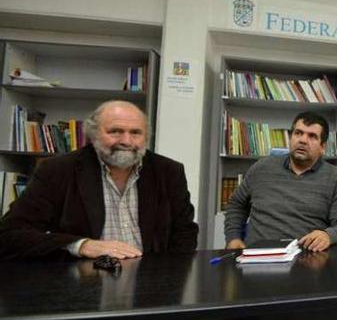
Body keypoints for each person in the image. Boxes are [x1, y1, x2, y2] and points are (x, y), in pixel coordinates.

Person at [0, 100, 198, 260]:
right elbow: (10, 235)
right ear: (93, 134)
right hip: (80, 286)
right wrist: (82, 245)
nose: (126, 141)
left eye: (136, 133)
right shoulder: (58, 170)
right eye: (115, 131)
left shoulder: (169, 172)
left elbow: (185, 234)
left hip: (151, 285)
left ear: (146, 137)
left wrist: (169, 281)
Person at [224, 112, 337, 252]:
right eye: (298, 133)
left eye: (312, 136)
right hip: (258, 255)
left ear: (322, 147)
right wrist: (233, 238)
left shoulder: (336, 178)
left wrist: (328, 235)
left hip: (307, 258)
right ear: (290, 138)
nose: (303, 140)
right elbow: (236, 205)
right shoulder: (261, 168)